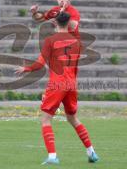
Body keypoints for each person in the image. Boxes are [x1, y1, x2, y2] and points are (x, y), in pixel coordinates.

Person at [15, 12, 99, 165]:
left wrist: (26, 69)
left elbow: (39, 64)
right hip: (71, 84)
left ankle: (53, 156)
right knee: (72, 118)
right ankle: (91, 152)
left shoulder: (50, 40)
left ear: (54, 23)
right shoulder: (76, 41)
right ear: (68, 23)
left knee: (46, 119)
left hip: (57, 84)